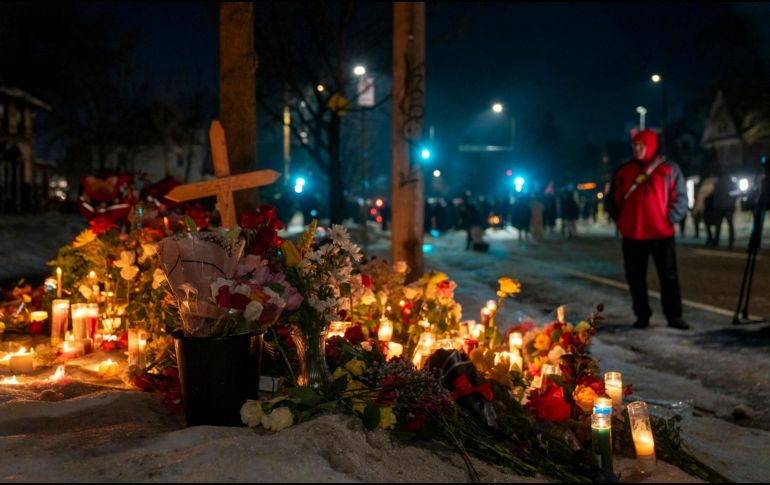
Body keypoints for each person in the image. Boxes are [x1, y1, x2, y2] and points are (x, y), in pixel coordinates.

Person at [606, 129, 690, 330]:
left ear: (651, 145)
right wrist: (622, 221)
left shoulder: (669, 169)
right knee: (636, 278)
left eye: (641, 145)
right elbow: (613, 201)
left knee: (669, 277)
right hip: (633, 234)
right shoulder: (623, 171)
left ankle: (674, 315)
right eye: (634, 145)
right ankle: (642, 315)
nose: (637, 149)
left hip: (661, 234)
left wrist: (669, 219)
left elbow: (680, 198)